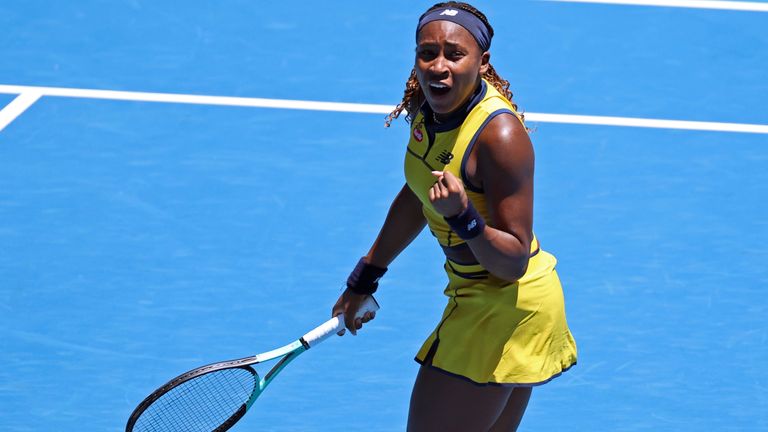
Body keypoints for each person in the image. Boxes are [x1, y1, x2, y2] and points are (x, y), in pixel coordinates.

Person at [332, 2, 577, 430]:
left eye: (454, 54)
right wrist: (365, 278)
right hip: (478, 297)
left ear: (482, 62)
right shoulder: (427, 110)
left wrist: (464, 217)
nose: (437, 66)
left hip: (505, 308)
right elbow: (417, 197)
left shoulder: (500, 137)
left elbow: (513, 260)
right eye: (427, 53)